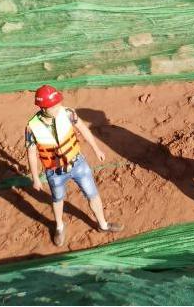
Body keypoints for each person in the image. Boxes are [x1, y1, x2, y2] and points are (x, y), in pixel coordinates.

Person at [25, 85, 122, 246]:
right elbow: (31, 153)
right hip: (54, 171)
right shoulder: (32, 127)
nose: (57, 107)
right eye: (53, 106)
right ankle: (59, 227)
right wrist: (35, 177)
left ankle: (103, 225)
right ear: (42, 107)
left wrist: (96, 149)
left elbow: (83, 129)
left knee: (93, 194)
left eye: (58, 103)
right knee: (57, 200)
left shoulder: (67, 113)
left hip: (77, 163)